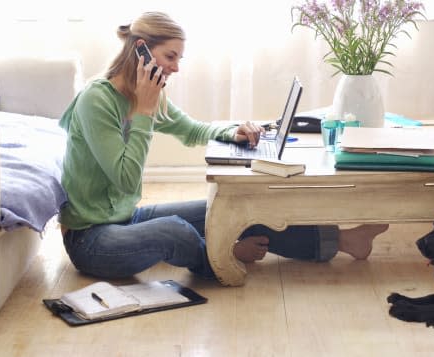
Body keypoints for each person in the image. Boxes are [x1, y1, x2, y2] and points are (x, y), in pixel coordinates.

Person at [58, 11, 388, 280]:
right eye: (170, 56)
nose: (176, 67)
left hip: (128, 218)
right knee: (174, 231)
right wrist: (144, 111)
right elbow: (126, 179)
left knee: (240, 210)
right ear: (141, 49)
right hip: (91, 240)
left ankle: (345, 240)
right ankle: (223, 258)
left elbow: (191, 129)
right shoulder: (97, 100)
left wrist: (235, 131)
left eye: (179, 58)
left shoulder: (148, 94)